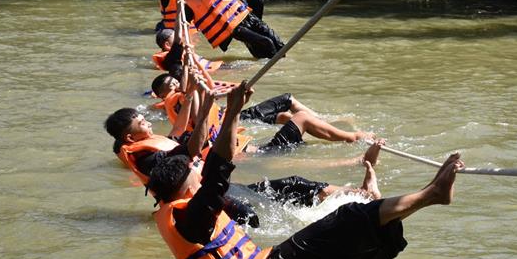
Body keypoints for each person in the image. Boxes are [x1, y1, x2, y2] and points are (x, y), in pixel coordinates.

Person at [142, 82, 464, 259]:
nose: (199, 179)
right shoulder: (191, 217)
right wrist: (235, 110)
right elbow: (216, 172)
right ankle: (431, 195)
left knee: (349, 231)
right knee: (350, 218)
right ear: (184, 188)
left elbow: (212, 172)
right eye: (193, 178)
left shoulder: (185, 214)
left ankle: (395, 202)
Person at [104, 98, 378, 227]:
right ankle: (356, 173)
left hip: (219, 187)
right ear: (129, 135)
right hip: (211, 198)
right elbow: (190, 149)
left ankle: (361, 194)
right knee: (257, 211)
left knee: (294, 183)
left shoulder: (151, 146)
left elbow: (186, 143)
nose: (148, 122)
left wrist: (201, 92)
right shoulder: (146, 156)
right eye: (142, 122)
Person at [151, 72, 374, 150]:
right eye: (169, 86)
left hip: (244, 143)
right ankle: (353, 138)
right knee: (301, 117)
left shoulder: (183, 103)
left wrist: (195, 76)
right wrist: (191, 86)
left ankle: (333, 129)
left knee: (290, 117)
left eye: (175, 82)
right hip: (253, 150)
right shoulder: (177, 101)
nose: (174, 86)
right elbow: (197, 114)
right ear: (162, 94)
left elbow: (201, 102)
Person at [166, 0, 285, 59]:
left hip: (246, 16)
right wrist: (179, 4)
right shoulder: (188, 3)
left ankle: (274, 60)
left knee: (277, 43)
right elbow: (183, 22)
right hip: (234, 28)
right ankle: (276, 66)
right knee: (266, 41)